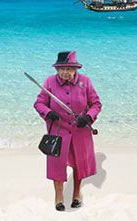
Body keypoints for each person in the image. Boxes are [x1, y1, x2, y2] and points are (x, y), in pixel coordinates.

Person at [34, 50, 102, 211]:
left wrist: (89, 117)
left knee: (79, 163)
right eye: (61, 69)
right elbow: (39, 103)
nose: (65, 72)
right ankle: (59, 198)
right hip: (58, 131)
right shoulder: (50, 82)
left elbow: (96, 104)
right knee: (57, 164)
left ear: (75, 69)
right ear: (57, 69)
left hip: (80, 130)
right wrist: (48, 113)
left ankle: (76, 195)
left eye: (69, 69)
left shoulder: (85, 82)